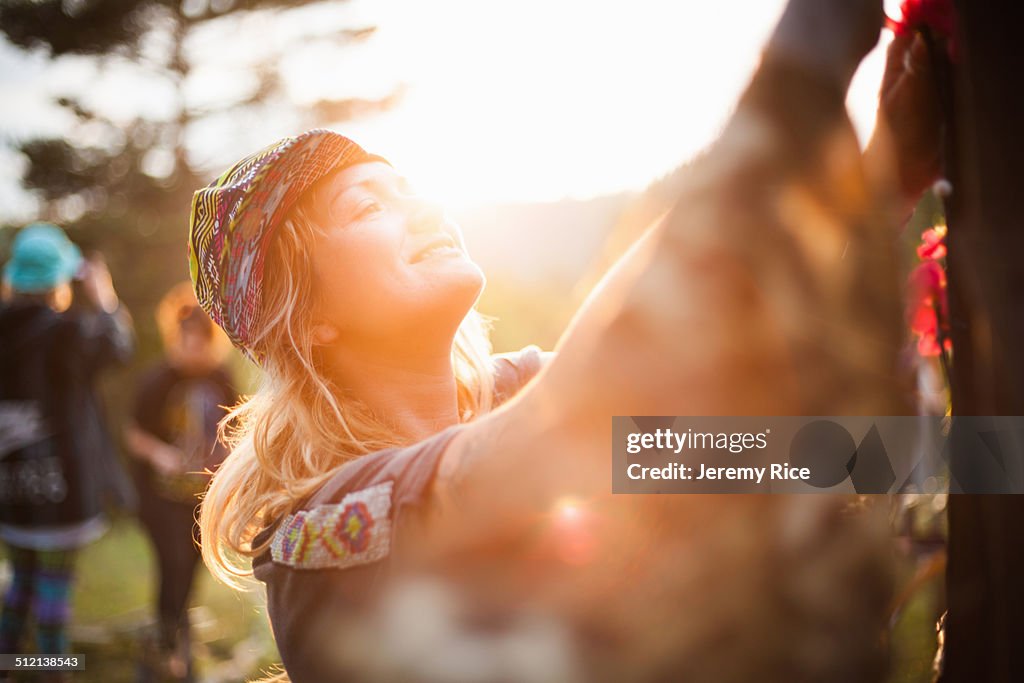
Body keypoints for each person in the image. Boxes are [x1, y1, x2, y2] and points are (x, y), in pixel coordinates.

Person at [192, 0, 941, 680]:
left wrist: (985, 459)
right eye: (367, 208)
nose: (425, 210)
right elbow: (583, 413)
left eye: (411, 188)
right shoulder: (317, 536)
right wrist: (801, 73)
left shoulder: (520, 390)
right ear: (310, 317)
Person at [0, 223, 133, 679]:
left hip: (10, 495)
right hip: (63, 495)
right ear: (59, 281)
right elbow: (120, 346)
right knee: (54, 593)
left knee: (20, 584)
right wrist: (105, 297)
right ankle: (51, 670)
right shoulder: (68, 334)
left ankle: (9, 663)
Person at [124, 283, 237, 683]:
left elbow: (233, 428)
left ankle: (176, 643)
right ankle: (165, 646)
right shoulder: (158, 380)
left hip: (202, 498)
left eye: (201, 344)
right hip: (160, 497)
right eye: (186, 343)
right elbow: (133, 434)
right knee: (171, 565)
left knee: (191, 570)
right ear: (176, 339)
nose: (194, 351)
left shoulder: (221, 377)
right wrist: (161, 454)